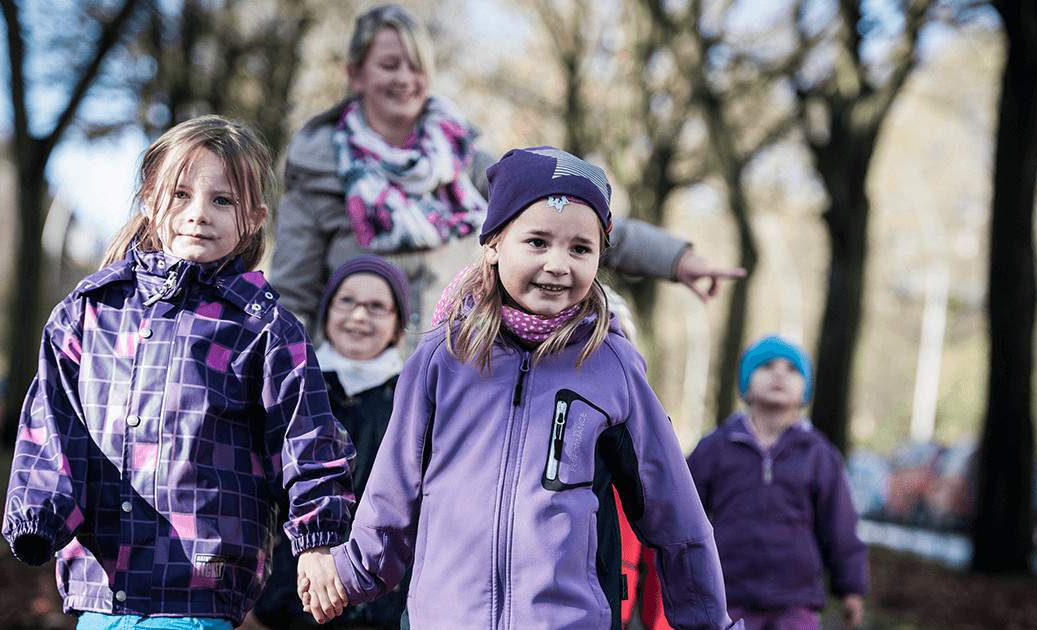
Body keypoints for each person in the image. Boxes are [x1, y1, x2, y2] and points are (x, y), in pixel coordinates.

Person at [300, 147, 735, 629]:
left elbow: (676, 511)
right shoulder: (443, 358)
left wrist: (707, 620)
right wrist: (348, 573)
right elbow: (393, 491)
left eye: (580, 249)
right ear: (493, 244)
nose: (557, 264)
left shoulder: (612, 366)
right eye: (537, 242)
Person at [0, 116, 355, 629]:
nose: (198, 215)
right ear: (150, 198)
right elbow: (51, 424)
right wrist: (39, 511)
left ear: (252, 216)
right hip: (101, 592)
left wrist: (318, 541)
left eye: (222, 201)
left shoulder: (264, 328)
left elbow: (308, 441)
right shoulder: (89, 312)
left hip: (200, 593)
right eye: (181, 195)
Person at [270, 3, 743, 339]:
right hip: (355, 389)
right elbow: (292, 296)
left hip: (458, 370)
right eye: (389, 65)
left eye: (417, 66)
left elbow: (562, 218)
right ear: (356, 75)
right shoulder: (319, 172)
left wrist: (676, 260)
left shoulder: (462, 159)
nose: (405, 79)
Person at [254, 256, 413, 629]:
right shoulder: (290, 387)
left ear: (396, 325)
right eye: (347, 302)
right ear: (327, 312)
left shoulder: (414, 399)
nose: (359, 317)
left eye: (377, 307)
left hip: (379, 610)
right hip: (282, 604)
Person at [688, 336, 868, 630]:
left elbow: (841, 526)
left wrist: (852, 588)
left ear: (804, 391)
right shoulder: (715, 448)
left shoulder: (818, 454)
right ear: (747, 383)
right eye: (767, 365)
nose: (780, 373)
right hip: (728, 597)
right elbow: (684, 514)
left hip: (796, 602)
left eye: (792, 369)